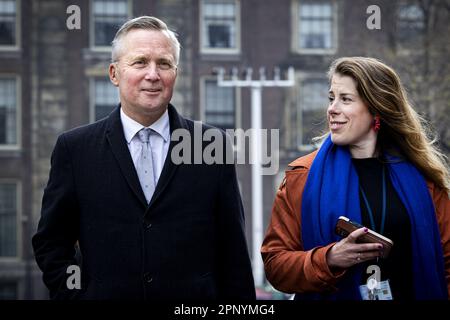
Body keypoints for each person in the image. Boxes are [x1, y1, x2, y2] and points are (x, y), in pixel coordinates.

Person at [32, 16, 255, 300]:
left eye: (164, 63)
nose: (153, 74)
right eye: (140, 62)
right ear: (114, 73)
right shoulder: (74, 149)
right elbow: (51, 243)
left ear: (176, 73)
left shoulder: (212, 145)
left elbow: (233, 249)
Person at [261, 57, 450, 300]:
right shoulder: (302, 176)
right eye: (331, 98)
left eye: (346, 99)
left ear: (376, 109)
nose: (332, 108)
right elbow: (275, 266)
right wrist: (329, 258)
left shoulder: (424, 180)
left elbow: (447, 263)